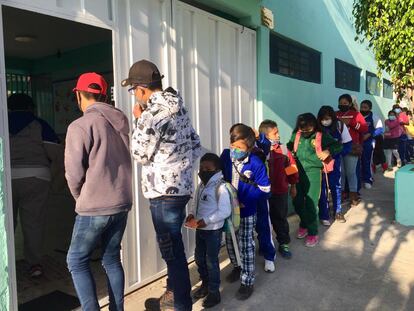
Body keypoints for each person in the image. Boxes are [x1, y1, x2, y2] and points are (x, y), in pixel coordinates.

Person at [124, 60, 201, 311]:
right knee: (174, 245)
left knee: (172, 252)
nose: (134, 95)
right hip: (181, 189)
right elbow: (196, 143)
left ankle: (180, 304)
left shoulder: (149, 115)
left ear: (142, 89)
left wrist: (138, 121)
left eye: (133, 90)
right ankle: (172, 294)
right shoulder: (179, 108)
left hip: (162, 194)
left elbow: (138, 153)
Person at [65, 72, 132, 311]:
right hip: (121, 202)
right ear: (103, 94)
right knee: (111, 258)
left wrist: (79, 198)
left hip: (94, 206)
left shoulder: (80, 125)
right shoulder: (121, 123)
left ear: (80, 96)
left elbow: (73, 173)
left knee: (76, 260)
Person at [8, 93, 60, 278]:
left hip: (6, 179)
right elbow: (55, 154)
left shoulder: (2, 123)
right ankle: (34, 265)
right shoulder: (40, 125)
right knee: (33, 223)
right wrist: (51, 177)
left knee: (5, 224)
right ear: (30, 107)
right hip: (37, 177)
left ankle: (5, 266)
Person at [221, 123, 270, 300]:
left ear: (249, 148)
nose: (234, 150)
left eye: (239, 147)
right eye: (232, 145)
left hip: (247, 211)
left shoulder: (256, 163)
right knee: (230, 240)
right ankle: (237, 266)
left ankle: (247, 281)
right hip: (228, 210)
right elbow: (220, 177)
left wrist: (246, 201)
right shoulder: (226, 157)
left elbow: (265, 189)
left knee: (246, 244)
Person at [287, 113, 343, 247]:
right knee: (297, 201)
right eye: (303, 129)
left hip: (313, 173)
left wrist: (328, 151)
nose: (305, 131)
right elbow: (289, 147)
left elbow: (338, 145)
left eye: (308, 128)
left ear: (314, 125)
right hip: (297, 172)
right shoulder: (297, 135)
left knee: (311, 203)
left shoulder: (320, 135)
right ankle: (304, 224)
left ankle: (313, 232)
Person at [186, 153, 231, 309]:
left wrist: (207, 220)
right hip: (200, 229)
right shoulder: (202, 185)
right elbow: (195, 202)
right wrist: (191, 214)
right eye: (201, 168)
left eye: (207, 168)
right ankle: (205, 284)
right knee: (199, 258)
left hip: (212, 231)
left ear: (216, 169)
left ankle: (214, 292)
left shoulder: (221, 187)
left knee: (211, 261)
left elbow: (224, 212)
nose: (203, 171)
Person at [258, 120, 299, 259]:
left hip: (280, 191)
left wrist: (293, 185)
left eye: (278, 132)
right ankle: (264, 244)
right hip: (262, 194)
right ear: (265, 135)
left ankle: (283, 243)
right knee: (262, 221)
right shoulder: (259, 151)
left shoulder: (283, 149)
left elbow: (291, 169)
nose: (278, 135)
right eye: (275, 133)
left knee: (280, 218)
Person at [317, 106, 352, 226]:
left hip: (335, 162)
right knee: (322, 188)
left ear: (332, 117)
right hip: (319, 164)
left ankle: (338, 211)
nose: (325, 121)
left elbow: (347, 146)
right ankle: (324, 214)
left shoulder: (340, 126)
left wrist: (333, 152)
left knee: (335, 186)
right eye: (322, 118)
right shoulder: (316, 128)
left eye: (327, 118)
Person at [336, 94, 368, 206]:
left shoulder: (356, 114)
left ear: (350, 104)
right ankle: (341, 194)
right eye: (341, 102)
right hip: (338, 146)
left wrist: (352, 123)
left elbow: (364, 128)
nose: (342, 105)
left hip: (352, 147)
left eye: (345, 103)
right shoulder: (335, 114)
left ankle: (353, 195)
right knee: (341, 172)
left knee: (350, 172)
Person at [360, 100, 384, 189]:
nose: (363, 109)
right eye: (361, 107)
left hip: (368, 143)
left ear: (370, 108)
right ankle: (360, 178)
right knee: (358, 162)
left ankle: (368, 179)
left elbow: (380, 129)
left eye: (365, 107)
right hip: (358, 142)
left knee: (367, 161)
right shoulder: (358, 116)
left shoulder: (374, 117)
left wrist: (369, 134)